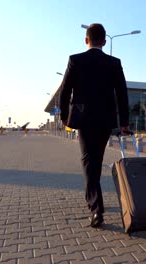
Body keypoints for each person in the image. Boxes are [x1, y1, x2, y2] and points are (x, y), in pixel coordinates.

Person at [59, 23, 130, 228]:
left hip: (84, 119)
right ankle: (95, 197)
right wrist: (123, 123)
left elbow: (65, 92)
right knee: (95, 160)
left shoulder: (75, 60)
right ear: (105, 42)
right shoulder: (114, 63)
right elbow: (122, 94)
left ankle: (96, 209)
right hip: (106, 120)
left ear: (86, 40)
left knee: (89, 162)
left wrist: (65, 116)